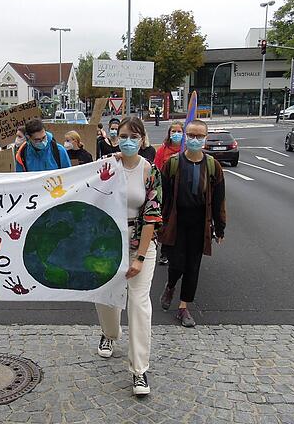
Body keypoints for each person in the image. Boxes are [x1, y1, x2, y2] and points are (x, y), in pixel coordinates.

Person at [95, 116, 162, 396]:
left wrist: (140, 258)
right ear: (115, 136)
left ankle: (139, 370)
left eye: (134, 136)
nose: (128, 141)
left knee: (138, 304)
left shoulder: (150, 171)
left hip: (140, 243)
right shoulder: (105, 166)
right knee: (106, 298)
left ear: (143, 139)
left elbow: (152, 216)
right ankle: (110, 334)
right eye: (123, 135)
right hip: (108, 244)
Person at [157, 119, 226, 328]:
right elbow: (162, 196)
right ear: (185, 137)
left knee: (193, 267)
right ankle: (170, 285)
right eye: (191, 135)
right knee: (176, 263)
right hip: (176, 222)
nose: (195, 139)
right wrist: (158, 222)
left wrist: (220, 227)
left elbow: (219, 198)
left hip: (199, 223)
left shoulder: (213, 166)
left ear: (205, 139)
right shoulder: (173, 163)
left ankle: (183, 307)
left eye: (199, 136)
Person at [154, 121, 184, 265]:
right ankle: (165, 253)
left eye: (179, 131)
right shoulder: (162, 150)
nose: (176, 134)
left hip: (184, 192)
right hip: (167, 193)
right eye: (174, 131)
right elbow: (157, 170)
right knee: (167, 223)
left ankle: (180, 250)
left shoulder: (186, 150)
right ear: (169, 134)